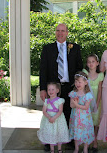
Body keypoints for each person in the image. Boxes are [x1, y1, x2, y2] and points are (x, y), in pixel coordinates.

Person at [39, 23, 83, 151]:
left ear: (67, 32)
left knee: (69, 114)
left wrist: (79, 87)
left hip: (69, 87)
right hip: (53, 89)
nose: (60, 33)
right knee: (51, 113)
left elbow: (79, 68)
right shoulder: (48, 48)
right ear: (55, 32)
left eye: (63, 31)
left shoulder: (75, 48)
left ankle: (67, 139)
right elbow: (43, 70)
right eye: (58, 30)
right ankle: (49, 141)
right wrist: (43, 88)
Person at [37, 82, 70, 153]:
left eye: (52, 89)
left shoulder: (60, 100)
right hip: (49, 120)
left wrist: (54, 118)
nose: (51, 91)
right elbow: (44, 111)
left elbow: (60, 111)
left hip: (58, 119)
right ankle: (52, 149)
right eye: (49, 90)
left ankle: (59, 149)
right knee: (50, 133)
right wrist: (49, 117)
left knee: (58, 132)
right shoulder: (46, 101)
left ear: (57, 91)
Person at [69, 71, 95, 153]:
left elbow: (86, 107)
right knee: (76, 132)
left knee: (85, 132)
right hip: (76, 117)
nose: (77, 84)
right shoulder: (73, 93)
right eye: (76, 82)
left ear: (85, 82)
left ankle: (85, 148)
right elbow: (71, 106)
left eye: (80, 82)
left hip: (85, 118)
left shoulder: (88, 95)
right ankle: (76, 148)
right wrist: (74, 103)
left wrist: (77, 104)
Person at [82, 54, 104, 152]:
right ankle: (87, 141)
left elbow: (100, 90)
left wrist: (98, 103)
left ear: (97, 63)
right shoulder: (85, 73)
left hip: (96, 101)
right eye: (89, 62)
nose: (91, 64)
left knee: (95, 123)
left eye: (93, 61)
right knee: (87, 122)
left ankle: (95, 141)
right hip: (87, 101)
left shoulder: (100, 75)